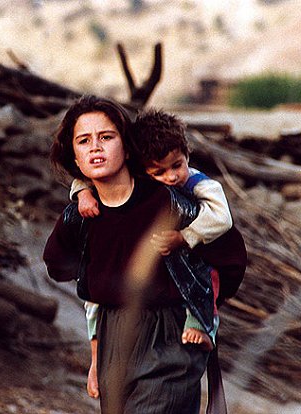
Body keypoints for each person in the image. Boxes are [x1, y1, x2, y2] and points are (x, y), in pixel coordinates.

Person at [43, 95, 214, 413]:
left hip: (170, 338)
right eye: (84, 141)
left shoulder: (169, 202)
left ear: (126, 145)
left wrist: (204, 324)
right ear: (76, 159)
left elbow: (213, 260)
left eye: (106, 137)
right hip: (114, 340)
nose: (95, 147)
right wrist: (97, 359)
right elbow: (86, 287)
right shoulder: (79, 218)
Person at [73, 109, 232, 355]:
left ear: (186, 154)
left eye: (177, 165)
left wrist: (186, 236)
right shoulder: (138, 179)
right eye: (159, 173)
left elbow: (222, 218)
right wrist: (83, 193)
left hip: (191, 251)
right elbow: (93, 177)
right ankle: (98, 341)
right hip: (148, 256)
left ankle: (203, 326)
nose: (171, 177)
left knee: (205, 277)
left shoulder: (199, 184)